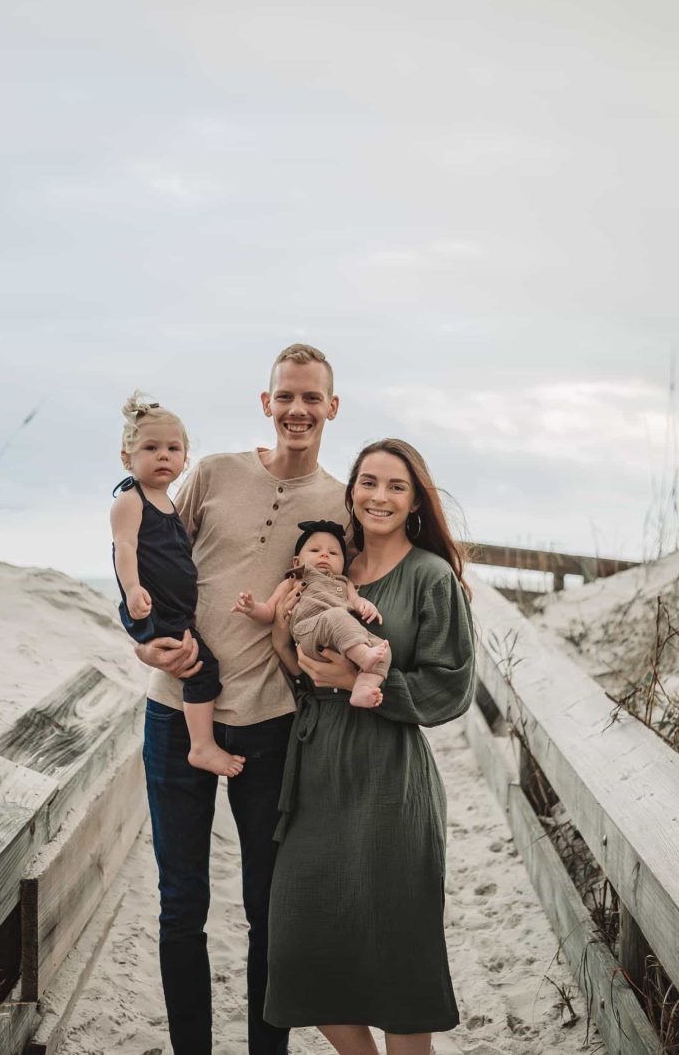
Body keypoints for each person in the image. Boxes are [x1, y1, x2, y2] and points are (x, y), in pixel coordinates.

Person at [134, 345, 348, 1055]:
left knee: (268, 910)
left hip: (273, 726)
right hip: (174, 711)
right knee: (181, 905)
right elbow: (146, 551)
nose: (297, 409)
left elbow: (358, 592)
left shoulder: (340, 502)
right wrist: (141, 637)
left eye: (311, 398)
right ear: (267, 402)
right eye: (285, 396)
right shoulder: (215, 472)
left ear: (331, 408)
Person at [264, 438, 476, 1055]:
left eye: (396, 486)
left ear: (415, 502)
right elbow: (300, 661)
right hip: (316, 767)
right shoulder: (327, 569)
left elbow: (452, 685)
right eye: (368, 482)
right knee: (300, 942)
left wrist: (363, 681)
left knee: (398, 954)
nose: (378, 496)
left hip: (390, 778)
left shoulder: (430, 577)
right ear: (350, 491)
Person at [111, 392, 245, 778]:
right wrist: (133, 588)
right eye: (151, 447)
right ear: (127, 457)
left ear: (185, 458)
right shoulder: (130, 500)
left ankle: (201, 743)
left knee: (199, 665)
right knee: (203, 669)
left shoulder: (168, 502)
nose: (164, 455)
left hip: (176, 609)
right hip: (156, 608)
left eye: (174, 448)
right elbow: (125, 546)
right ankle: (201, 747)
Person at [231, 519, 388, 708]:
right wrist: (252, 608)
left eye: (333, 553)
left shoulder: (344, 583)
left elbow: (356, 601)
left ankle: (362, 687)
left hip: (343, 634)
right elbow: (270, 611)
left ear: (343, 563)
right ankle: (362, 655)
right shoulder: (294, 581)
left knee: (382, 648)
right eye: (315, 551)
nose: (324, 555)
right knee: (336, 616)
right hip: (310, 631)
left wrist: (365, 605)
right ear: (297, 561)